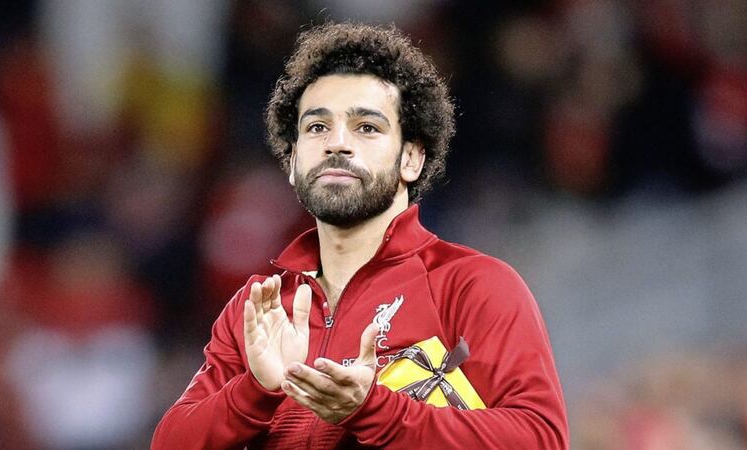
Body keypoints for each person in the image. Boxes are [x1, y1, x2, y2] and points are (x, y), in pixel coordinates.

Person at [152, 22, 568, 449]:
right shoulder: (261, 306)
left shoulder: (472, 286)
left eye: (366, 127)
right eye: (316, 128)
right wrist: (256, 390)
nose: (337, 144)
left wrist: (373, 410)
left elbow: (540, 440)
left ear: (411, 158)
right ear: (293, 163)